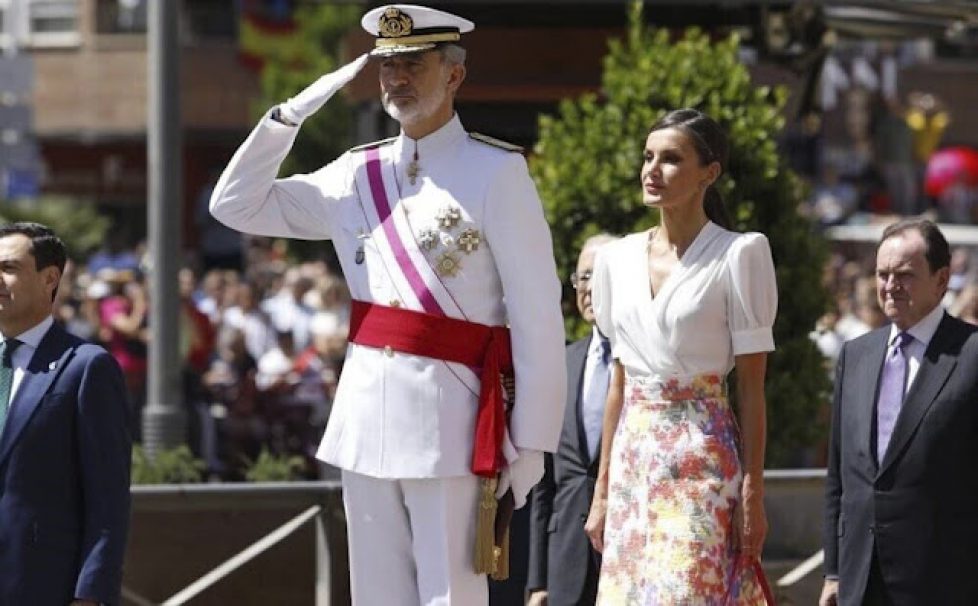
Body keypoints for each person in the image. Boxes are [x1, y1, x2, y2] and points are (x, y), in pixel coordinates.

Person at [209, 5, 566, 605]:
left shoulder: (497, 172)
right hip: (364, 414)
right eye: (387, 66)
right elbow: (236, 205)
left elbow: (536, 314)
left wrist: (530, 442)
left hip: (451, 416)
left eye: (413, 65)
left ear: (453, 75)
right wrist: (290, 114)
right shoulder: (356, 172)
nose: (396, 79)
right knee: (374, 593)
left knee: (450, 593)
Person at [583, 109, 778, 603]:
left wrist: (753, 492)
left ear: (708, 174)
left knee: (687, 592)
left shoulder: (740, 254)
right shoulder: (616, 259)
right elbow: (618, 385)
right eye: (648, 157)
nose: (652, 170)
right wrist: (602, 490)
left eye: (671, 159)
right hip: (633, 458)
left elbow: (751, 389)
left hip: (703, 455)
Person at [821, 219, 978, 605]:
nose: (890, 286)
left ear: (941, 280)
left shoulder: (971, 354)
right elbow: (840, 476)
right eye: (883, 274)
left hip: (943, 581)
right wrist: (834, 571)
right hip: (860, 580)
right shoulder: (856, 355)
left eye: (905, 275)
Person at [0, 222, 131, 605]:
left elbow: (108, 500)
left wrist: (91, 594)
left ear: (50, 279)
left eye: (8, 268)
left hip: (39, 587)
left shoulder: (86, 367)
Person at [528, 233, 617, 606]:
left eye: (602, 276)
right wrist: (537, 582)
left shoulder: (650, 366)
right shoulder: (562, 363)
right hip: (565, 564)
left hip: (627, 556)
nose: (590, 288)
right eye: (583, 277)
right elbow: (545, 482)